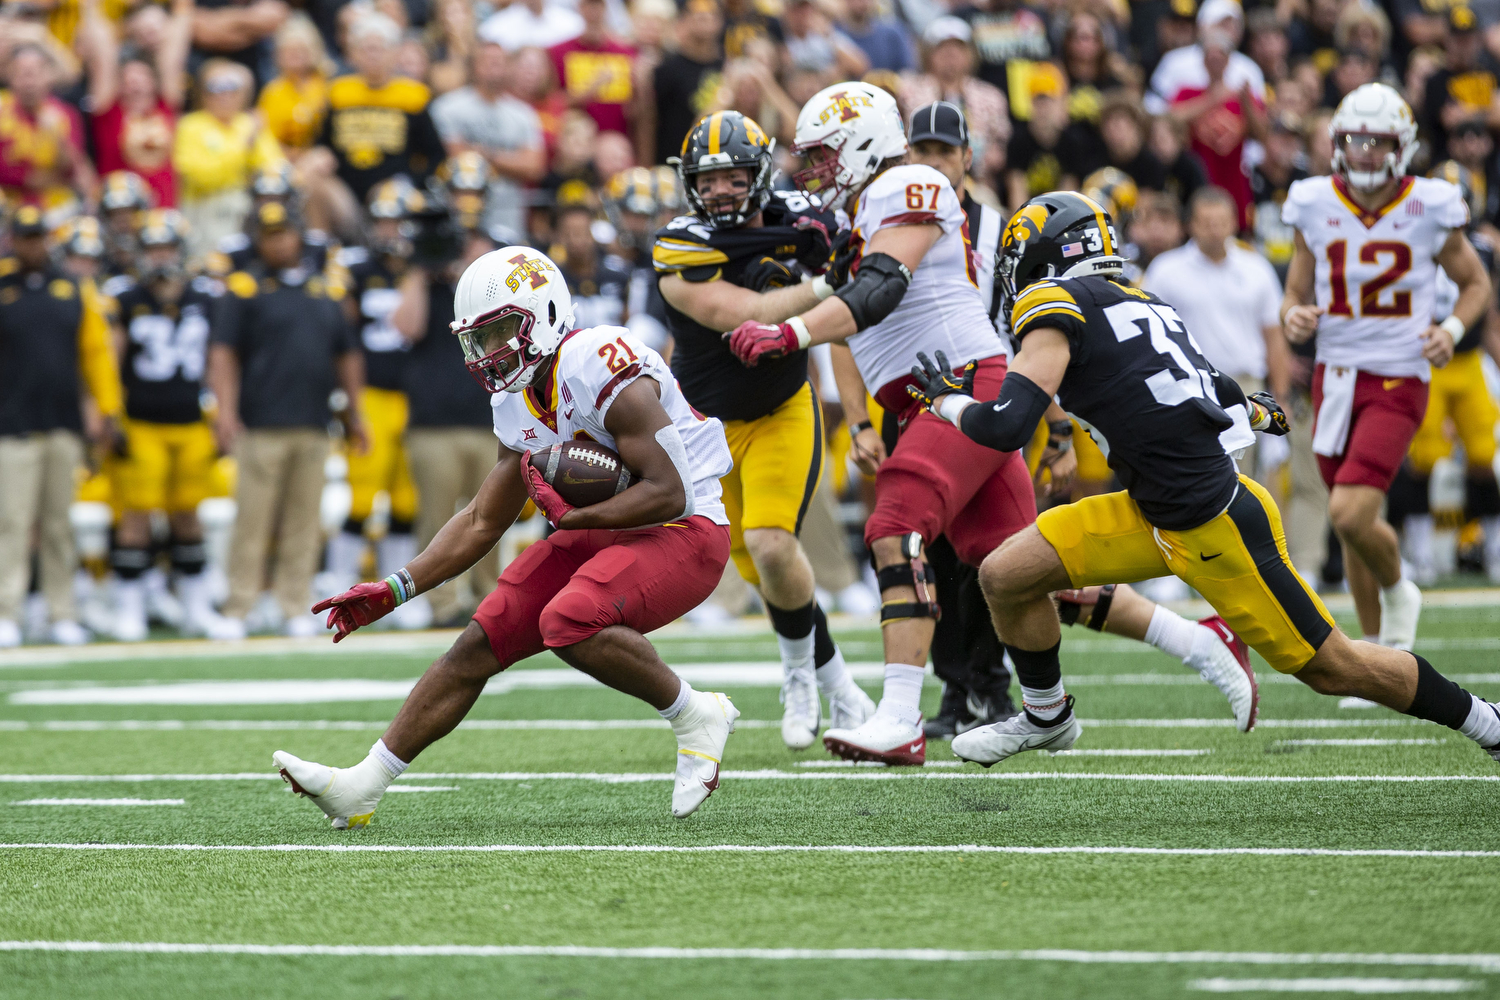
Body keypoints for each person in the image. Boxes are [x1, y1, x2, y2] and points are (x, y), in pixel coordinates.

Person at [901, 190, 1500, 773]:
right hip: (1152, 508)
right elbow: (1214, 386)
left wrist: (947, 402)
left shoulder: (1055, 305)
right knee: (1005, 575)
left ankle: (1486, 721)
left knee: (1333, 665)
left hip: (1211, 521)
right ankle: (1046, 713)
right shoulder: (1141, 300)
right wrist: (1257, 412)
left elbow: (1007, 426)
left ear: (1042, 256)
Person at [274, 245, 741, 826]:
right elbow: (481, 519)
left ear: (544, 316)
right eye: (478, 340)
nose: (488, 354)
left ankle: (695, 714)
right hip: (610, 529)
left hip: (685, 529)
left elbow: (670, 490)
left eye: (499, 334)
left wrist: (575, 520)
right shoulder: (515, 396)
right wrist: (394, 590)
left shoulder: (598, 360)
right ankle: (361, 786)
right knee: (479, 640)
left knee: (567, 619)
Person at [724, 82, 1038, 765]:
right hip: (926, 393)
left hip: (958, 382)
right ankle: (1186, 645)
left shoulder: (910, 184)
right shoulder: (862, 209)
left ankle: (900, 715)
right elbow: (844, 294)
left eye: (825, 155)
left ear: (862, 142)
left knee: (894, 524)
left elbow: (877, 290)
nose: (815, 172)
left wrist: (788, 332)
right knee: (1024, 565)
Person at [654, 110, 875, 749]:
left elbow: (860, 251)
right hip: (707, 427)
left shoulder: (801, 216)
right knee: (765, 570)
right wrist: (828, 278)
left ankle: (799, 675)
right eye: (710, 178)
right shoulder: (678, 243)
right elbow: (747, 314)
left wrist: (839, 248)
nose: (721, 190)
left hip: (782, 407)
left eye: (734, 177)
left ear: (760, 173)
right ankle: (842, 689)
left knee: (775, 546)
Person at [1280, 83, 1491, 649]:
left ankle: (1401, 591)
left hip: (1399, 376)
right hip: (1335, 377)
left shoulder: (1429, 203)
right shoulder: (1314, 202)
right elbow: (1294, 292)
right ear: (1336, 143)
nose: (1365, 151)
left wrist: (1449, 331)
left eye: (1377, 140)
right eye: (1353, 139)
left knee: (1348, 512)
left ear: (1402, 146)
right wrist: (1295, 317)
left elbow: (1476, 283)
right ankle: (1375, 653)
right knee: (1354, 530)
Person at [206, 201, 365, 636]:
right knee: (253, 519)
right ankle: (240, 605)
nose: (279, 242)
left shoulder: (323, 290)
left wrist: (356, 413)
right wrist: (226, 412)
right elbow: (223, 354)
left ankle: (295, 604)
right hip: (260, 424)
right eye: (270, 234)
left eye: (284, 233)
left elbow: (346, 353)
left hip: (314, 422)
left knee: (304, 520)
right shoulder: (245, 290)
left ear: (298, 235)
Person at [106, 209, 243, 642]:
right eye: (152, 248)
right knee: (136, 517)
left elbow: (218, 361)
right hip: (141, 420)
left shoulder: (204, 297)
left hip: (189, 420)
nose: (160, 257)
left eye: (166, 248)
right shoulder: (125, 297)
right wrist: (109, 415)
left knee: (189, 515)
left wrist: (223, 414)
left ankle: (197, 608)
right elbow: (109, 360)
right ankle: (128, 609)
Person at [0, 205, 123, 648]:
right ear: (14, 240)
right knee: (12, 523)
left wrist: (106, 408)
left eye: (39, 237)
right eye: (25, 237)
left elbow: (95, 352)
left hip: (62, 423)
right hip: (11, 425)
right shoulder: (3, 286)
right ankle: (6, 611)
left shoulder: (72, 289)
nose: (33, 245)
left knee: (58, 525)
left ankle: (61, 611)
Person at [390, 218, 504, 627]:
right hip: (432, 422)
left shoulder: (489, 292)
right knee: (437, 518)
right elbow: (406, 326)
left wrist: (476, 273)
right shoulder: (425, 283)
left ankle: (491, 601)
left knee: (493, 516)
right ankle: (442, 603)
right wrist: (421, 269)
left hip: (488, 421)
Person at [324, 179, 428, 629]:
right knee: (363, 496)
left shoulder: (427, 270)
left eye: (399, 222)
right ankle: (338, 583)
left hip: (414, 395)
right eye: (384, 221)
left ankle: (395, 594)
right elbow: (342, 335)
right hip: (370, 394)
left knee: (407, 499)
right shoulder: (357, 269)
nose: (391, 231)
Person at [1395, 160, 1500, 584]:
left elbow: (1487, 308)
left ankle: (1492, 547)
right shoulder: (1409, 243)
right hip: (1427, 360)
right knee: (1423, 458)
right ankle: (1420, 554)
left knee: (1482, 455)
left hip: (1469, 360)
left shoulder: (1485, 247)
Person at [1143, 186, 1290, 482]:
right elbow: (1149, 336)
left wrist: (1281, 394)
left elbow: (1273, 336)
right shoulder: (1165, 271)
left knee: (1247, 480)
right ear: (1191, 225)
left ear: (1234, 223)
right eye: (1206, 223)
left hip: (1247, 386)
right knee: (1197, 476)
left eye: (1221, 222)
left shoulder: (1256, 268)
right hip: (1188, 389)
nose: (1214, 230)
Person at [302, 14, 446, 240]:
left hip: (391, 191)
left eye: (379, 48)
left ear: (394, 54)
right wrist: (319, 157)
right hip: (346, 189)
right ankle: (319, 252)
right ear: (353, 54)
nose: (373, 55)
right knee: (313, 183)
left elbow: (435, 155)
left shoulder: (413, 95)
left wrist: (410, 181)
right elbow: (321, 144)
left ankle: (390, 261)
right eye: (365, 49)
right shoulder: (339, 92)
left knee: (391, 197)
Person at [430, 41, 548, 241]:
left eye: (500, 62)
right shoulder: (447, 108)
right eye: (489, 61)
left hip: (507, 217)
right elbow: (456, 157)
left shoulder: (523, 114)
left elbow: (534, 167)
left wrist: (485, 154)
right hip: (458, 214)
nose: (495, 67)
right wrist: (511, 159)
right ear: (474, 66)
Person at [172, 59, 285, 263]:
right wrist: (243, 148)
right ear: (203, 93)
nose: (225, 95)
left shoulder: (248, 122)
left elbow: (273, 168)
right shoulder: (190, 126)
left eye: (232, 87)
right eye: (215, 87)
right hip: (206, 209)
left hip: (249, 206)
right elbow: (201, 176)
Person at [645, 0, 723, 166]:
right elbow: (649, 120)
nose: (705, 19)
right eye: (698, 15)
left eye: (711, 15)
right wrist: (647, 165)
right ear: (684, 20)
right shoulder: (666, 69)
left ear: (720, 21)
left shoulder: (726, 68)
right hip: (672, 163)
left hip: (715, 162)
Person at [548, 0, 638, 140]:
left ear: (605, 8)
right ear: (580, 8)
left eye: (597, 5)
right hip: (578, 143)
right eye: (588, 5)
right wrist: (591, 89)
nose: (593, 10)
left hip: (618, 141)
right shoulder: (558, 53)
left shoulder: (626, 53)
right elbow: (551, 103)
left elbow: (636, 107)